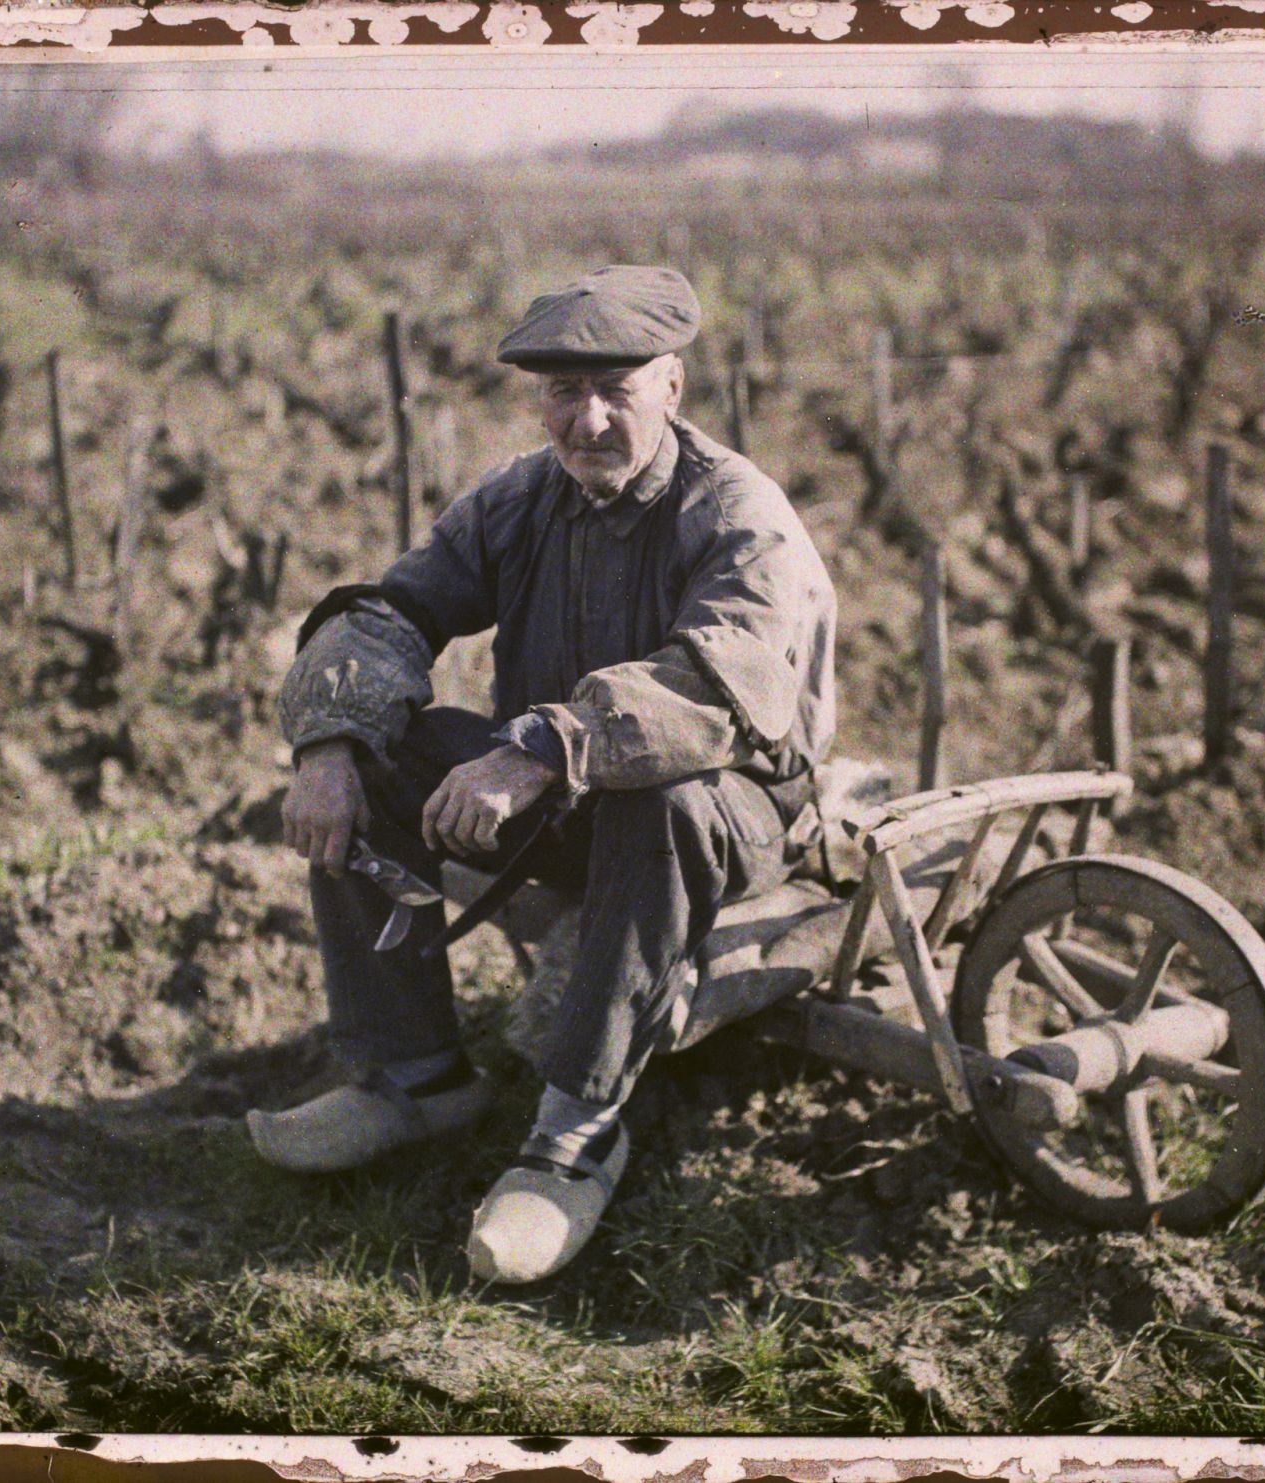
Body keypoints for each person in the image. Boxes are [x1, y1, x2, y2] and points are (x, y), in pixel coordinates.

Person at [252, 264, 836, 1284]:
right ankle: (412, 1073)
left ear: (672, 386)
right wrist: (329, 743)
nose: (590, 419)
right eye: (564, 392)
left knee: (668, 797)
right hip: (561, 783)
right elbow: (392, 610)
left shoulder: (738, 513)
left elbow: (714, 687)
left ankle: (578, 1123)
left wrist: (535, 746)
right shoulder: (522, 499)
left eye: (616, 387)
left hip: (729, 808)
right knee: (374, 747)